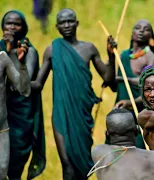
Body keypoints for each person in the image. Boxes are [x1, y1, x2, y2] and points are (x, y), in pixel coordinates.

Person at [31, 8, 116, 179]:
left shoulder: (89, 49)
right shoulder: (52, 50)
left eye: (70, 21)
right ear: (56, 26)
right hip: (61, 114)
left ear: (77, 23)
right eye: (62, 22)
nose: (67, 25)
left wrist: (111, 56)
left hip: (83, 116)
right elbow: (38, 84)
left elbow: (108, 78)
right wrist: (13, 75)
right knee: (68, 164)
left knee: (82, 165)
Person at [0, 10, 46, 180]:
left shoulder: (28, 51)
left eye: (16, 24)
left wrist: (12, 52)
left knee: (14, 165)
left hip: (20, 116)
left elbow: (21, 85)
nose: (12, 27)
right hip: (2, 112)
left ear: (24, 28)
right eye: (8, 23)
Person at [110, 19, 154, 149]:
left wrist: (123, 79)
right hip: (121, 111)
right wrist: (110, 55)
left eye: (146, 29)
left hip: (140, 112)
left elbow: (148, 85)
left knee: (138, 146)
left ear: (151, 36)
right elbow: (114, 85)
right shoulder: (124, 55)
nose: (141, 31)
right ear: (132, 32)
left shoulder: (150, 57)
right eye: (138, 28)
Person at [0, 36, 30, 179]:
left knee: (2, 172)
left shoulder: (2, 58)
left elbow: (24, 90)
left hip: (2, 129)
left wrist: (22, 64)